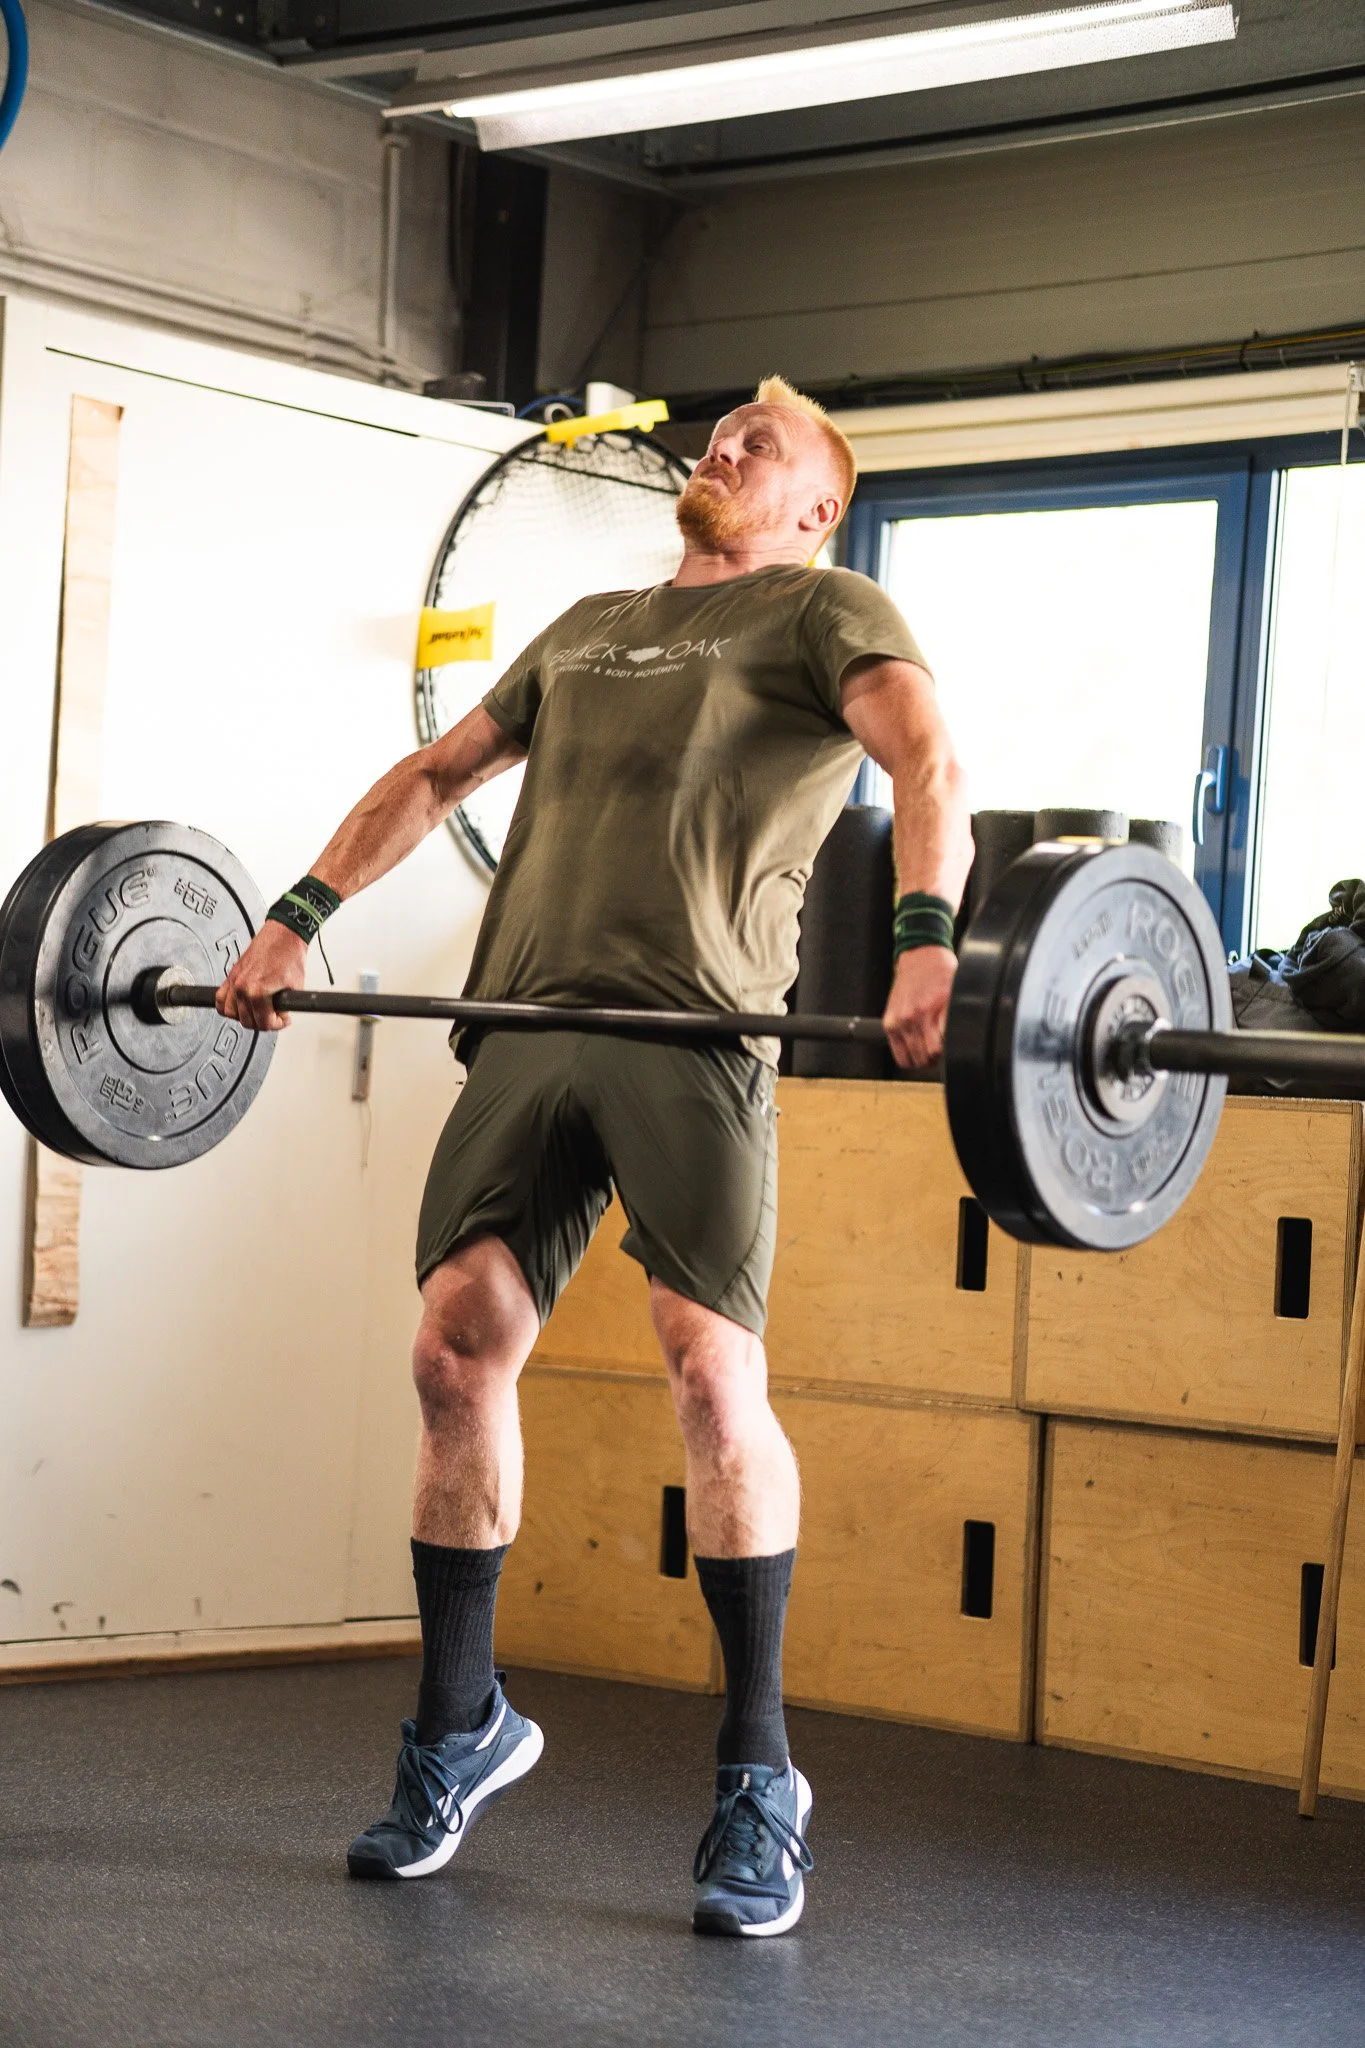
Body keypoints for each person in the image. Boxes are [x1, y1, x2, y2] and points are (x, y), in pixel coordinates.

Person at [220, 374, 972, 1937]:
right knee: (454, 1349)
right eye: (727, 431)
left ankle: (760, 1778)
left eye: (767, 444)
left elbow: (925, 764)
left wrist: (925, 939)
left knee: (707, 1364)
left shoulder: (827, 607)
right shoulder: (586, 623)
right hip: (526, 1019)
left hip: (693, 1036)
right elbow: (437, 778)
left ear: (818, 504)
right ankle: (461, 1726)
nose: (730, 446)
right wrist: (299, 915)